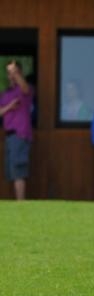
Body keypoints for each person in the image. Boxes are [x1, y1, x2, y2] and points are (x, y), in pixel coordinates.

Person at [0, 60, 34, 200]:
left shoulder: (25, 90)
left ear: (20, 73)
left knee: (18, 171)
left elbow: (25, 87)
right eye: (9, 73)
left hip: (20, 134)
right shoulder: (5, 93)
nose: (12, 76)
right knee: (11, 172)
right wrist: (10, 107)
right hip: (8, 136)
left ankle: (21, 204)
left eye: (14, 72)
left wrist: (16, 72)